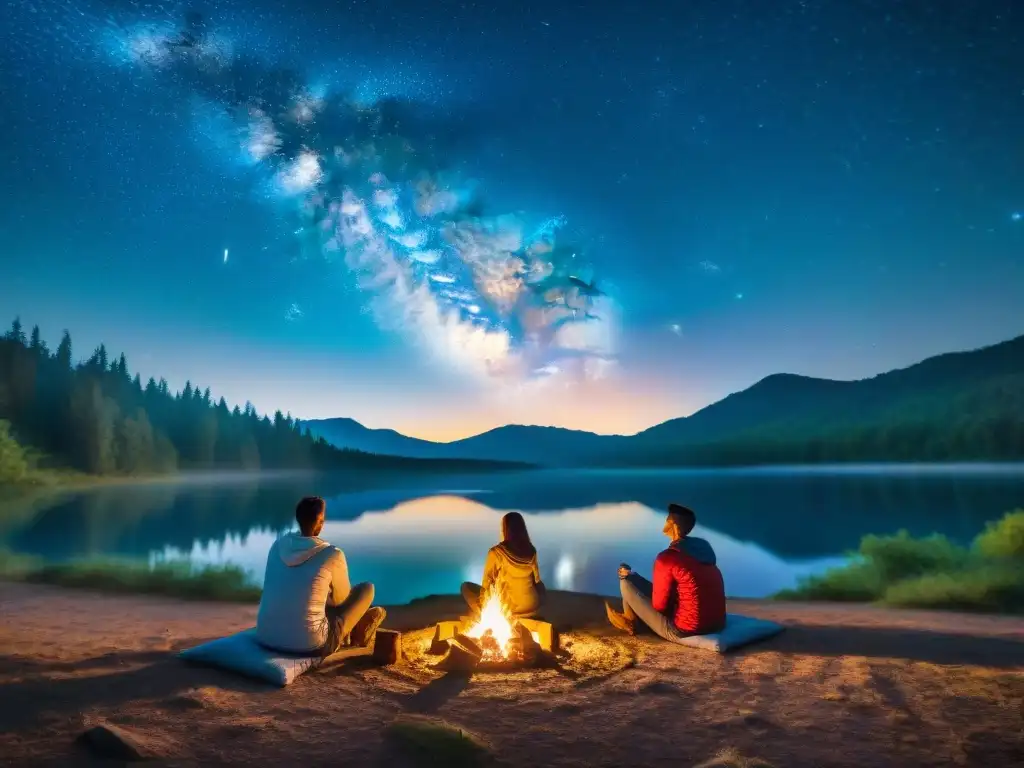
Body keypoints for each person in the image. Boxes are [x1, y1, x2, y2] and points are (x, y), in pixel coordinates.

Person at [256, 496, 386, 656]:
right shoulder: (331, 553)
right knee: (367, 589)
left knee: (310, 597)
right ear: (321, 522)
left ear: (298, 518)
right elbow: (341, 599)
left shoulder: (277, 546)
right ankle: (353, 633)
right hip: (311, 644)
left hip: (266, 636)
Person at [605, 503, 726, 641]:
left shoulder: (667, 558)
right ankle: (632, 609)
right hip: (717, 624)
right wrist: (635, 577)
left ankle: (630, 621)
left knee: (625, 582)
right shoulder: (702, 552)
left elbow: (660, 606)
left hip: (684, 629)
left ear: (672, 524)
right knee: (631, 577)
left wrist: (638, 593)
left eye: (667, 519)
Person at [462, 512, 547, 618]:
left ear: (505, 529)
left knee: (466, 588)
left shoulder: (496, 552)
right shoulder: (531, 550)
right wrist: (541, 600)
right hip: (532, 607)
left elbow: (486, 585)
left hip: (509, 610)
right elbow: (537, 582)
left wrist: (483, 607)